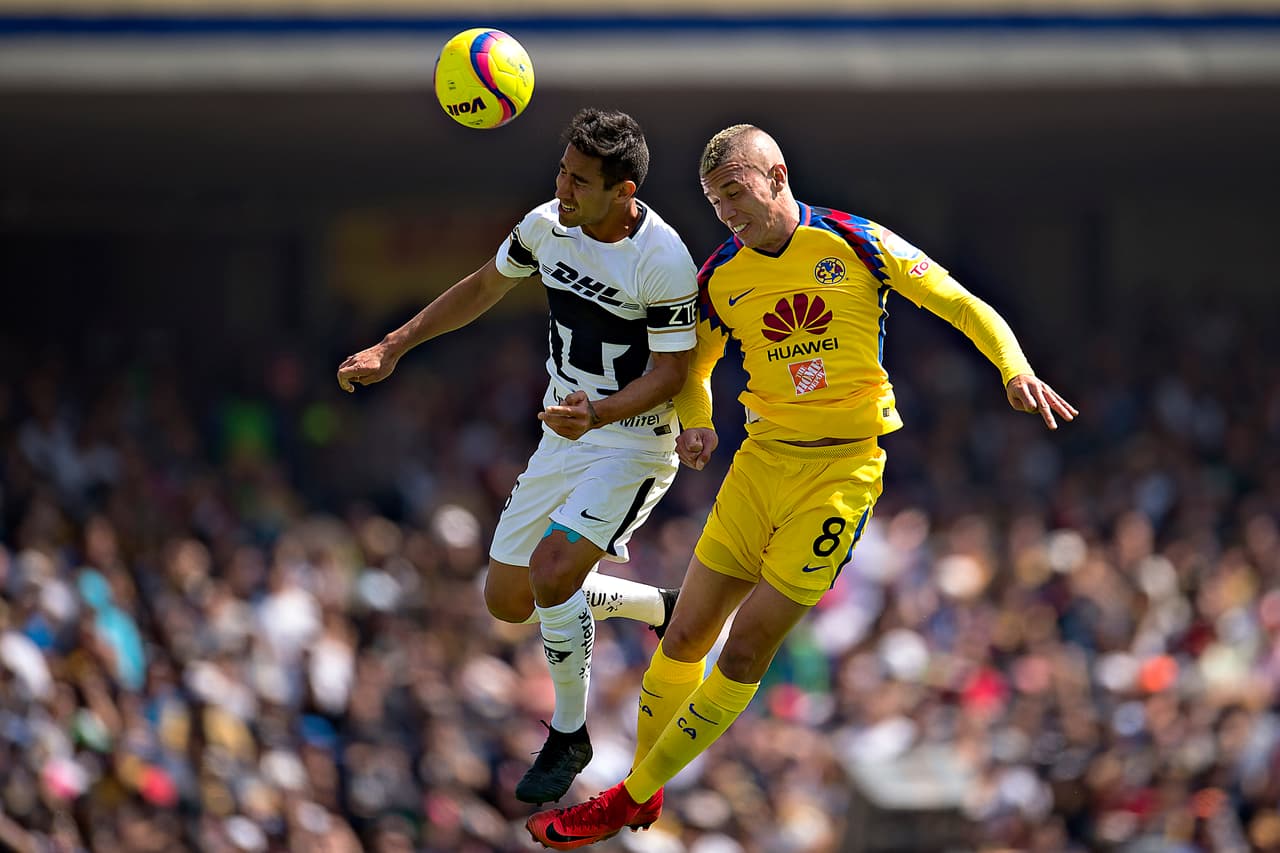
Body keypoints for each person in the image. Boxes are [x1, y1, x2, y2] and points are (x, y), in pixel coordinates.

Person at [525, 124, 1079, 848]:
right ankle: (648, 788)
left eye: (734, 192)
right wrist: (699, 421)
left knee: (747, 648)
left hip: (842, 471)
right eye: (713, 200)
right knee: (687, 631)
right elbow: (693, 366)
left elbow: (960, 302)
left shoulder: (854, 241)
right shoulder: (720, 272)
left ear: (777, 176)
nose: (725, 212)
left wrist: (1013, 368)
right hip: (760, 462)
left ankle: (626, 795)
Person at [337, 108, 699, 805]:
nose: (563, 188)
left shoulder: (663, 259)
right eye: (563, 171)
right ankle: (658, 605)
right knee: (508, 600)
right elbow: (481, 288)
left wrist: (596, 411)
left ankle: (570, 733)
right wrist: (392, 346)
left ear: (624, 193)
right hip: (564, 432)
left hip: (631, 439)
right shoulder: (546, 225)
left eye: (581, 181)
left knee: (553, 571)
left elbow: (671, 374)